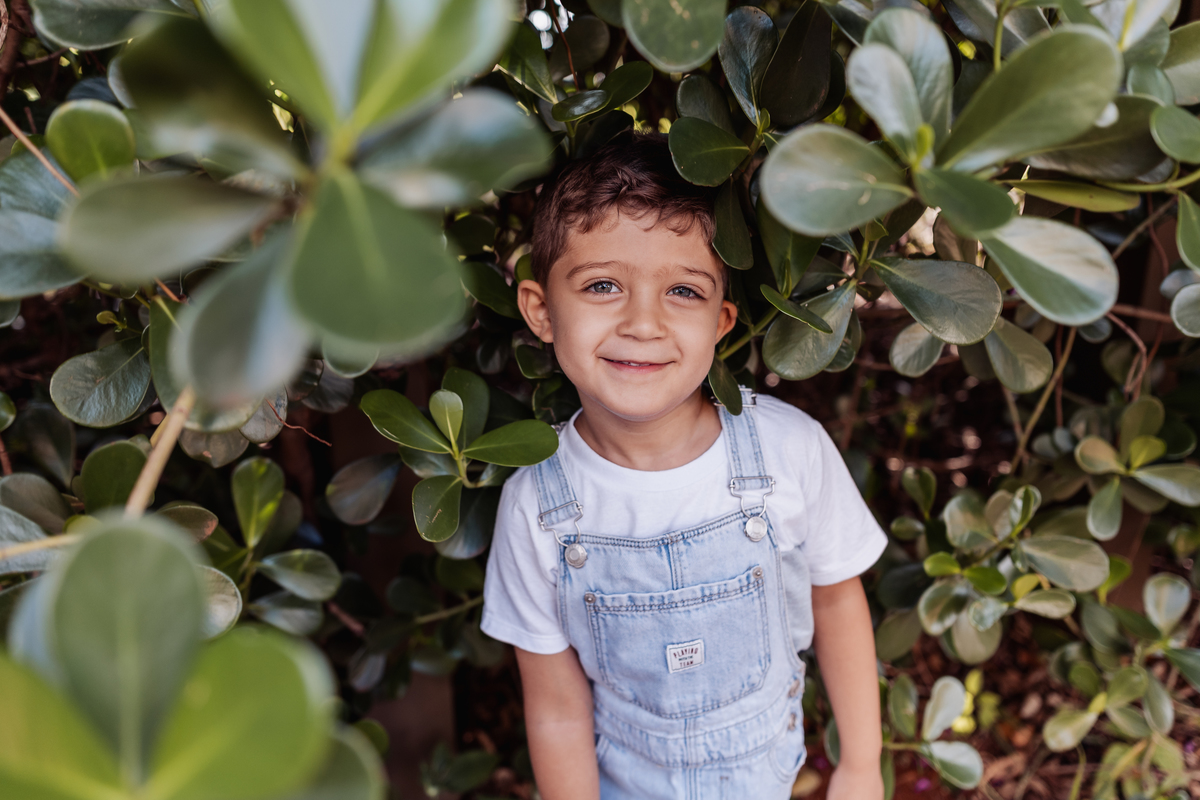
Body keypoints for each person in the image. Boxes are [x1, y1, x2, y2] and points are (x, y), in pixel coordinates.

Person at [481, 131, 887, 800]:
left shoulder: (789, 452)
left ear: (723, 320)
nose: (644, 322)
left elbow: (839, 599)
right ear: (541, 309)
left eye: (684, 293)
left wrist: (862, 766)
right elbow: (555, 705)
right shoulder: (537, 507)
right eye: (603, 284)